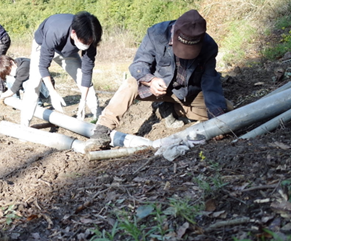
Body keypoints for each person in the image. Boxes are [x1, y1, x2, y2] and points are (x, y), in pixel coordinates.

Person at [85, 9, 230, 150]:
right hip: (157, 87)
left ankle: (171, 109)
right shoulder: (156, 34)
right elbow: (138, 65)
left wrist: (217, 121)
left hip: (187, 92)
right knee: (130, 83)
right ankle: (102, 131)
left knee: (227, 111)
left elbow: (210, 81)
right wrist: (150, 80)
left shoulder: (209, 46)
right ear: (175, 34)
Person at [20, 11, 102, 127]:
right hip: (43, 45)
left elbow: (87, 71)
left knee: (83, 79)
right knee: (34, 83)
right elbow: (43, 66)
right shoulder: (55, 31)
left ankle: (99, 119)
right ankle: (24, 124)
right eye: (84, 42)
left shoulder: (90, 37)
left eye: (89, 43)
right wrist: (52, 92)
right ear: (73, 33)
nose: (87, 45)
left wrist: (83, 100)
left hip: (67, 52)